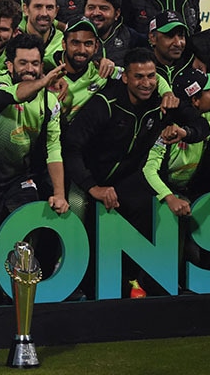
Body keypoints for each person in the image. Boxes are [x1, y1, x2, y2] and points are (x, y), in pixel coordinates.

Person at [62, 48, 164, 297]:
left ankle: (133, 277)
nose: (146, 83)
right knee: (76, 209)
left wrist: (188, 131)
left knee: (151, 205)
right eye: (139, 77)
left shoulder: (159, 102)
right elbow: (71, 148)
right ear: (125, 77)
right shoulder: (104, 104)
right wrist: (92, 186)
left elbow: (198, 123)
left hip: (124, 181)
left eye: (151, 76)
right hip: (88, 178)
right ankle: (73, 280)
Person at [0, 33, 69, 299]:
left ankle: (19, 296)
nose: (30, 69)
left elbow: (54, 148)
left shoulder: (50, 101)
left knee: (26, 232)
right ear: (9, 65)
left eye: (36, 63)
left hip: (19, 179)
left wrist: (60, 193)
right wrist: (43, 81)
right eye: (23, 63)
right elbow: (16, 96)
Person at [142, 68, 210, 285]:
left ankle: (209, 278)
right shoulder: (165, 128)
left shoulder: (209, 121)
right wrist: (170, 197)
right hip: (159, 190)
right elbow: (149, 170)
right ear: (195, 100)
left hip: (190, 189)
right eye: (208, 90)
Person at [52, 17, 116, 127]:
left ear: (96, 47)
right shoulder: (47, 65)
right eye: (75, 43)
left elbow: (139, 76)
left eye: (88, 44)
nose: (81, 50)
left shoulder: (102, 71)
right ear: (64, 44)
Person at [84, 0, 145, 66]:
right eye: (91, 7)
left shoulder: (133, 38)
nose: (96, 13)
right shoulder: (73, 37)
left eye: (103, 8)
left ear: (117, 14)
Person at [149, 10, 198, 88]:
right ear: (153, 38)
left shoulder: (191, 64)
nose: (178, 43)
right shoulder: (142, 69)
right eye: (170, 36)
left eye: (181, 36)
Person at [20, 0, 64, 68]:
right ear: (25, 9)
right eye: (38, 7)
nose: (44, 13)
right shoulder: (12, 38)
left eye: (49, 8)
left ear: (56, 11)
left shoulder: (64, 44)